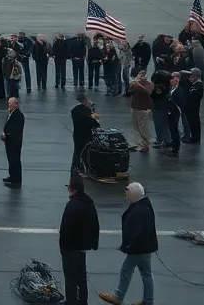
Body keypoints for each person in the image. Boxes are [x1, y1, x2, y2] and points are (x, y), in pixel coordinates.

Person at [99, 182, 156, 305]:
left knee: (126, 270)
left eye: (127, 190)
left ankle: (118, 296)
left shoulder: (139, 210)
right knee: (146, 274)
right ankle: (148, 300)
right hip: (145, 248)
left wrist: (129, 246)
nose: (125, 192)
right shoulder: (143, 205)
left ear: (134, 193)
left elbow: (138, 232)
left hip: (137, 248)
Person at [59, 173, 100, 305]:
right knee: (81, 275)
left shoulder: (72, 205)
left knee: (70, 276)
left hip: (70, 247)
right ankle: (82, 300)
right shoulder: (89, 203)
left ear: (73, 189)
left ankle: (71, 300)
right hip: (83, 246)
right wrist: (94, 243)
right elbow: (95, 224)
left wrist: (62, 246)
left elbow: (66, 228)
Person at [71, 94, 100, 172]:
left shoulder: (74, 110)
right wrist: (93, 113)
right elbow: (93, 122)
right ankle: (85, 166)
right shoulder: (86, 111)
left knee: (77, 152)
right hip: (86, 134)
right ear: (85, 100)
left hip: (77, 134)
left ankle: (75, 166)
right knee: (86, 151)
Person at [128, 69, 153, 154]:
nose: (140, 77)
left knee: (143, 128)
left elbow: (148, 92)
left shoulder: (148, 84)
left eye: (142, 75)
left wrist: (139, 85)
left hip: (143, 109)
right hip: (134, 107)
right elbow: (130, 91)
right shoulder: (135, 83)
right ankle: (137, 144)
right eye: (139, 75)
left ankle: (145, 146)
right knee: (135, 127)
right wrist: (133, 84)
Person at [2, 96, 24, 186]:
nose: (9, 105)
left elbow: (16, 130)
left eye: (11, 103)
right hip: (10, 141)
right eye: (9, 103)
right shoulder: (11, 113)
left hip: (14, 142)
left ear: (16, 104)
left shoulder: (18, 115)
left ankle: (16, 179)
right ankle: (12, 175)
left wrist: (7, 135)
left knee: (15, 160)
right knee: (11, 160)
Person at [165, 72, 183, 158]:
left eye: (173, 78)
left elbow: (178, 102)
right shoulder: (173, 88)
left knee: (174, 130)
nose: (171, 80)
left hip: (174, 112)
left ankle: (175, 148)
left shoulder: (178, 89)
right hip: (171, 112)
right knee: (172, 129)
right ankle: (174, 145)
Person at [184, 67, 203, 144]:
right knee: (191, 122)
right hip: (190, 107)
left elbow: (194, 96)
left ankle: (195, 138)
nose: (190, 78)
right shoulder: (193, 84)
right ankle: (193, 137)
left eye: (192, 76)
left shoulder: (198, 86)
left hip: (193, 107)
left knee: (194, 123)